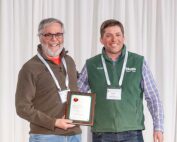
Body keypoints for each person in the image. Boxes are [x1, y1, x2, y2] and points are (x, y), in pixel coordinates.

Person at [78, 19, 164, 142]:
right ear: (101, 39)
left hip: (132, 133)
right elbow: (77, 94)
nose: (114, 39)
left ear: (124, 37)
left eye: (118, 35)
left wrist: (158, 127)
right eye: (108, 35)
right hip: (101, 134)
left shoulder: (138, 62)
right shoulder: (91, 64)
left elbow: (153, 97)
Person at [15, 18, 81, 142]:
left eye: (58, 34)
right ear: (40, 37)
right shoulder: (30, 68)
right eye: (48, 35)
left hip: (74, 134)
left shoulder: (69, 61)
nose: (54, 39)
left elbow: (75, 91)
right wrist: (54, 122)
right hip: (46, 136)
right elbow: (22, 108)